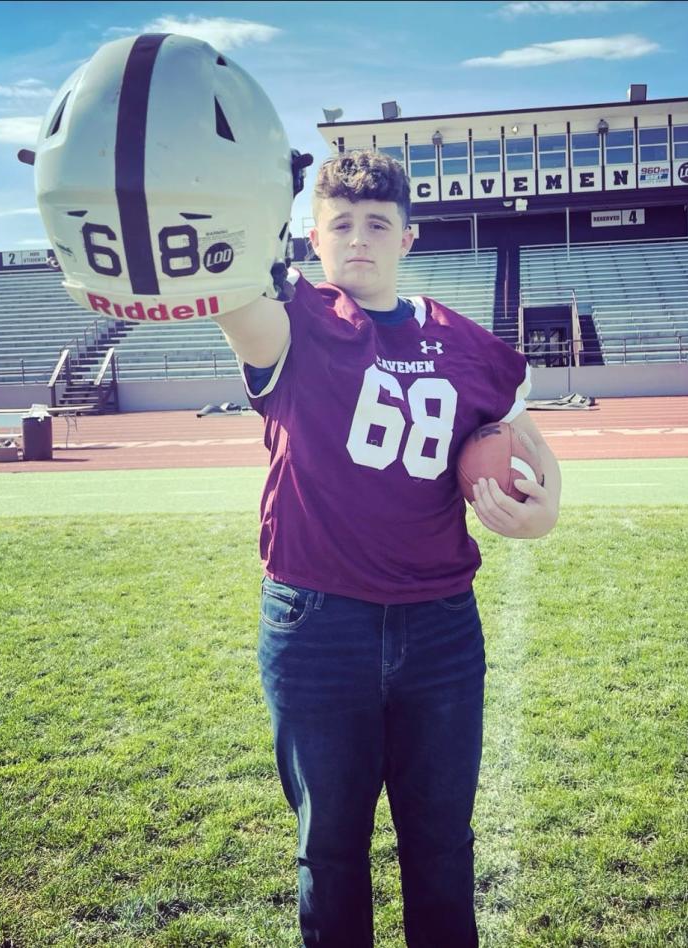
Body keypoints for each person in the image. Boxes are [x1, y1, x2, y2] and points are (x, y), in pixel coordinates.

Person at [212, 149, 561, 947]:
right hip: (317, 625)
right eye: (341, 224)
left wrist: (546, 512)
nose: (358, 239)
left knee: (441, 846)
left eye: (377, 224)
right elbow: (237, 305)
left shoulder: (466, 343)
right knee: (329, 849)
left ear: (409, 237)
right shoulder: (293, 321)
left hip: (439, 626)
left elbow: (531, 446)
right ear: (312, 235)